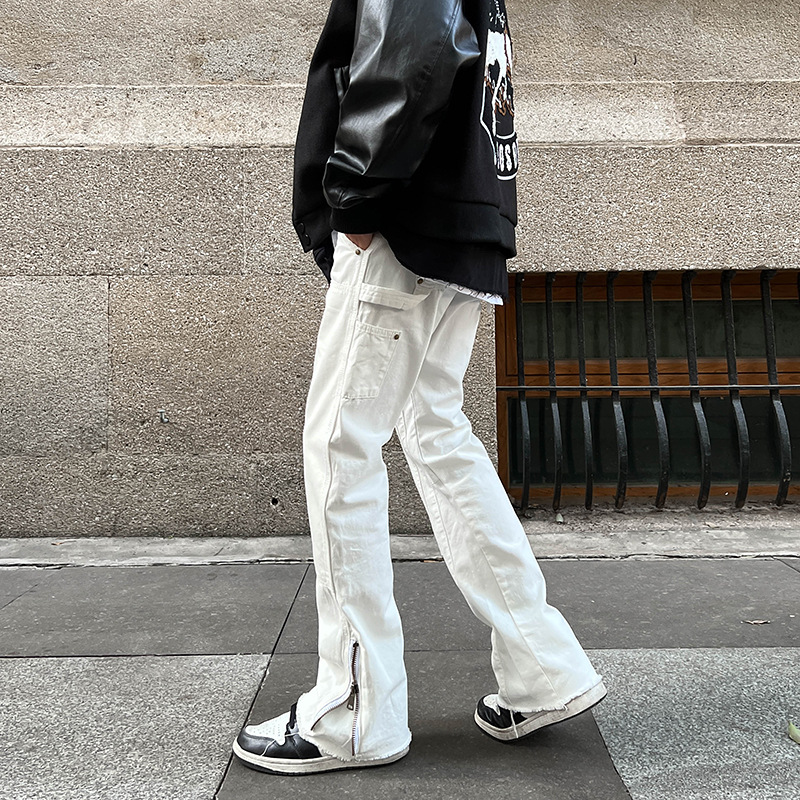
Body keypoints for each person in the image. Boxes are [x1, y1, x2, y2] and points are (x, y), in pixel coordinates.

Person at [232, 0, 606, 775]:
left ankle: (355, 711)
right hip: (459, 213)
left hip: (402, 214)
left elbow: (419, 36)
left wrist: (357, 194)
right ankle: (544, 666)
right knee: (435, 430)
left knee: (340, 444)